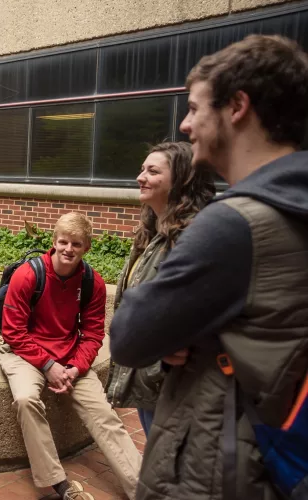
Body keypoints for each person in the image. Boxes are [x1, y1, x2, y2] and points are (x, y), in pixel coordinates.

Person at [110, 34, 308, 500]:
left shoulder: (231, 224)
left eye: (195, 108)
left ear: (237, 106)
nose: (185, 124)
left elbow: (130, 335)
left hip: (224, 464)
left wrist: (184, 329)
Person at [0, 212, 142, 500]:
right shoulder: (27, 275)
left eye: (76, 244)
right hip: (24, 353)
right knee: (26, 399)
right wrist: (49, 365)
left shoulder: (93, 282)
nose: (68, 249)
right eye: (63, 242)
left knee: (105, 415)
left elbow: (92, 335)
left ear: (86, 247)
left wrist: (75, 368)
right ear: (53, 241)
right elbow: (12, 332)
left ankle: (142, 488)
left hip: (70, 357)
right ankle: (59, 485)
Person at [104, 142, 216, 437]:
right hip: (149, 376)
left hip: (175, 383)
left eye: (152, 171)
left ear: (180, 179)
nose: (141, 177)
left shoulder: (194, 235)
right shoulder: (150, 231)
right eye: (142, 169)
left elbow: (210, 307)